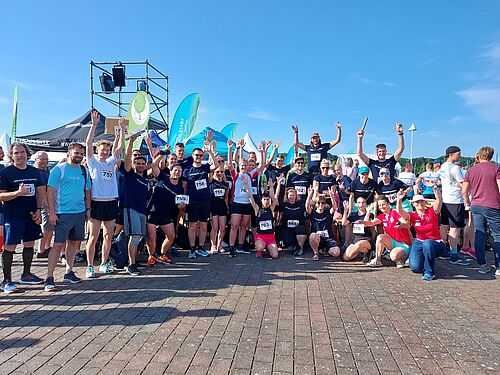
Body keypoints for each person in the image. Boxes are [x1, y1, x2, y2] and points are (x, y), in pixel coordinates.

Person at [44, 143, 91, 291]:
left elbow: (87, 190)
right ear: (69, 153)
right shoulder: (58, 170)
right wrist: (52, 212)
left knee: (74, 243)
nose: (79, 156)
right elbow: (50, 192)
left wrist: (88, 209)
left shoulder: (84, 170)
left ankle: (69, 272)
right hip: (62, 213)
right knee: (58, 245)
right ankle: (49, 278)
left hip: (79, 212)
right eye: (76, 153)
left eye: (81, 153)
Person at [0, 143, 46, 293]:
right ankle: (6, 281)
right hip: (13, 216)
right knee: (10, 247)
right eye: (16, 153)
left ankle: (26, 274)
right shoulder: (6, 173)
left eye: (22, 152)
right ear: (11, 156)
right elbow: (1, 195)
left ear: (27, 154)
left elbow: (39, 192)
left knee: (29, 244)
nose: (20, 155)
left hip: (31, 215)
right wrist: (17, 193)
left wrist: (39, 209)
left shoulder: (34, 171)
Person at [84, 110, 125, 278]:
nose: (105, 152)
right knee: (93, 237)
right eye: (102, 149)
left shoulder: (110, 161)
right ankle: (89, 266)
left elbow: (120, 148)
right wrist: (93, 125)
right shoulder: (92, 161)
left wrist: (122, 130)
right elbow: (87, 144)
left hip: (110, 203)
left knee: (108, 235)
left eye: (107, 150)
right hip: (96, 203)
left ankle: (104, 263)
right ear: (97, 150)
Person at [462, 146, 500, 275]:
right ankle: (499, 266)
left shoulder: (471, 170)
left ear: (480, 155)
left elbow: (464, 190)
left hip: (476, 205)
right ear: (491, 156)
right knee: (497, 235)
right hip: (493, 205)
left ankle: (482, 265)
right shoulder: (496, 168)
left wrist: (467, 201)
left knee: (480, 233)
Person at [226, 139, 265, 257]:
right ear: (239, 166)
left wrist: (262, 151)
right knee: (234, 226)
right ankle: (232, 247)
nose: (243, 167)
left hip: (247, 204)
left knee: (243, 227)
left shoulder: (250, 174)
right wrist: (230, 148)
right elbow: (229, 163)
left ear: (248, 166)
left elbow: (262, 166)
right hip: (236, 203)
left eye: (245, 165)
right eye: (241, 165)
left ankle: (241, 246)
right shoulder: (235, 174)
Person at [396, 185, 445, 280]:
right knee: (415, 267)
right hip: (419, 241)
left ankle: (429, 272)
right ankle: (426, 260)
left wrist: (435, 187)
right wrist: (399, 200)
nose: (419, 203)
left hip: (435, 242)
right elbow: (400, 211)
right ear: (413, 204)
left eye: (421, 201)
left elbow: (439, 200)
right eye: (416, 202)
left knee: (428, 244)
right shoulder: (412, 215)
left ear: (425, 202)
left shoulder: (432, 211)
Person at [121, 132, 151, 276]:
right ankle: (131, 265)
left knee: (138, 237)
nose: (140, 165)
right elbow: (127, 158)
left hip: (142, 211)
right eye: (137, 163)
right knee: (134, 236)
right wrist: (131, 141)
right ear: (134, 164)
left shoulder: (146, 181)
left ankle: (133, 261)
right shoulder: (129, 174)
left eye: (142, 163)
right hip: (131, 208)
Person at [147, 153, 184, 265]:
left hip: (166, 214)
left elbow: (178, 204)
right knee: (151, 236)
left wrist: (181, 207)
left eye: (179, 171)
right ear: (171, 171)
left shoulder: (180, 188)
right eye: (175, 170)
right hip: (153, 211)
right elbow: (153, 166)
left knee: (171, 236)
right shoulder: (163, 177)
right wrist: (162, 153)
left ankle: (162, 254)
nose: (177, 172)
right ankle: (151, 256)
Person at [182, 140, 216, 259]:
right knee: (192, 226)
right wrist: (185, 202)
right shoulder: (187, 170)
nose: (199, 157)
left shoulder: (205, 167)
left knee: (203, 225)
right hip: (192, 201)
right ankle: (192, 249)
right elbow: (184, 187)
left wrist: (211, 152)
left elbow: (216, 165)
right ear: (193, 156)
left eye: (201, 155)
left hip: (205, 200)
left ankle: (201, 248)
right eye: (197, 155)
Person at [438, 146, 471, 266]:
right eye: (458, 154)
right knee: (455, 229)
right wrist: (467, 199)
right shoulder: (455, 168)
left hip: (445, 200)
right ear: (451, 154)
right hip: (455, 201)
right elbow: (463, 186)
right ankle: (453, 255)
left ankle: (442, 251)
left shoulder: (443, 166)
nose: (460, 156)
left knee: (444, 226)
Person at [362, 195, 412, 268]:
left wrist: (401, 225)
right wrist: (368, 212)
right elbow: (370, 223)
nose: (381, 207)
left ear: (388, 204)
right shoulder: (382, 216)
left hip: (404, 244)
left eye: (383, 204)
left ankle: (403, 257)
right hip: (393, 242)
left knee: (394, 257)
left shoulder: (395, 212)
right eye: (380, 205)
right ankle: (377, 261)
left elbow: (407, 225)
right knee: (380, 237)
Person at [244, 175, 282, 259]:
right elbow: (251, 197)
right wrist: (246, 186)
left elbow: (276, 196)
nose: (266, 201)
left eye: (268, 199)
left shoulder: (271, 209)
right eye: (264, 200)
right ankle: (259, 251)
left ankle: (269, 248)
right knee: (259, 246)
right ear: (261, 200)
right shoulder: (257, 209)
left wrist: (278, 183)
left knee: (275, 256)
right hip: (260, 236)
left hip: (270, 236)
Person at [306, 186, 340, 261]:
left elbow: (334, 208)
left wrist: (332, 196)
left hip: (328, 239)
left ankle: (326, 250)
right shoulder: (313, 212)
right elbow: (307, 206)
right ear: (316, 204)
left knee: (336, 252)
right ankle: (316, 253)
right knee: (312, 236)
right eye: (319, 203)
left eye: (323, 203)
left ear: (325, 204)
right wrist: (309, 195)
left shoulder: (327, 211)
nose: (321, 204)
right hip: (317, 238)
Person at [33, 151, 53, 258]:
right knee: (46, 226)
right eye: (42, 159)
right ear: (36, 160)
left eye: (46, 159)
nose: (45, 161)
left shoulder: (45, 171)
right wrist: (47, 204)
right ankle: (41, 250)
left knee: (50, 226)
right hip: (43, 203)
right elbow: (42, 190)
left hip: (48, 201)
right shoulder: (35, 172)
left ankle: (47, 247)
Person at [341, 197, 374, 262]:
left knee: (359, 245)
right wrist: (345, 211)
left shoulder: (370, 214)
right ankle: (360, 253)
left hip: (367, 239)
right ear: (356, 204)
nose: (361, 204)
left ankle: (368, 252)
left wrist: (368, 213)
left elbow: (365, 224)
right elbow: (344, 223)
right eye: (359, 202)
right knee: (346, 258)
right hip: (356, 239)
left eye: (363, 202)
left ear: (366, 204)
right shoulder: (353, 214)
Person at [281, 188, 307, 256]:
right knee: (287, 241)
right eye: (290, 195)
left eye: (293, 195)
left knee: (301, 229)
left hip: (299, 227)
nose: (291, 197)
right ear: (287, 196)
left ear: (296, 196)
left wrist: (311, 193)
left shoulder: (301, 203)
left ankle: (300, 248)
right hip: (288, 228)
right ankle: (293, 244)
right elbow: (274, 199)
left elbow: (311, 202)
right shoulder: (284, 203)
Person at [209, 166, 229, 254]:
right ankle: (213, 245)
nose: (220, 173)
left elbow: (226, 197)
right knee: (215, 227)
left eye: (221, 172)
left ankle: (219, 244)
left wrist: (227, 207)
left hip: (222, 207)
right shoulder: (211, 182)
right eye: (218, 172)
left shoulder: (226, 184)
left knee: (222, 228)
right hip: (213, 206)